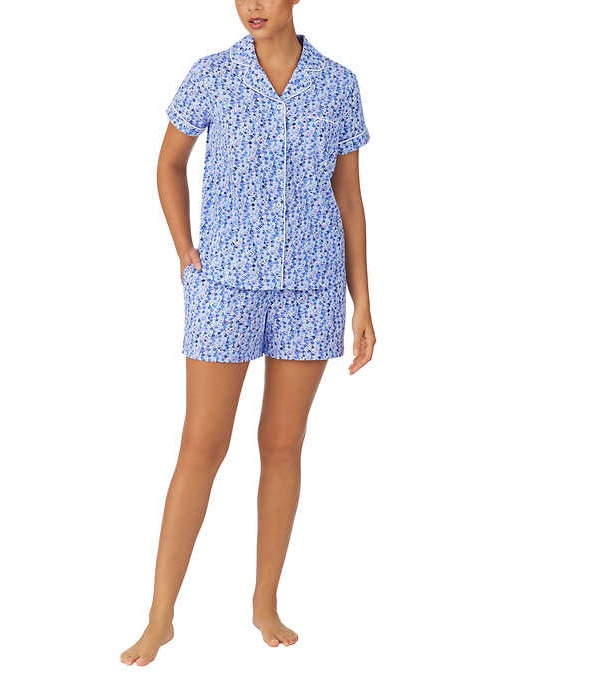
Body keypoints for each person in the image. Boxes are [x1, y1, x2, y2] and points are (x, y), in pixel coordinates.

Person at [121, 0, 376, 667]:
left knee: (283, 446)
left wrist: (363, 303)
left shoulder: (338, 84)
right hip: (225, 286)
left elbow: (349, 198)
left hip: (311, 288)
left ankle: (265, 603)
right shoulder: (211, 75)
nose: (252, 6)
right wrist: (185, 250)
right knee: (201, 446)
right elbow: (168, 164)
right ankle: (159, 617)